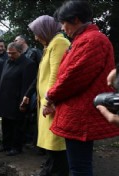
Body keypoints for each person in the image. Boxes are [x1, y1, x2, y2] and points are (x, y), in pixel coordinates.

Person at [44, 1, 119, 175]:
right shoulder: (84, 40)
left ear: (75, 19)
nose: (63, 28)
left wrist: (51, 96)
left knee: (79, 168)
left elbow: (73, 77)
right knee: (78, 165)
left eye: (64, 23)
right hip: (78, 112)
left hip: (80, 114)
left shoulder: (92, 41)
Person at [28, 15, 70, 176]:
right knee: (51, 144)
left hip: (53, 103)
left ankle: (54, 172)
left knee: (56, 143)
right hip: (48, 102)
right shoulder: (52, 44)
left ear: (45, 30)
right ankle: (49, 169)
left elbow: (55, 75)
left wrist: (49, 100)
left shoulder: (59, 43)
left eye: (37, 32)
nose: (35, 37)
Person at [0, 42, 37, 156]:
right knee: (5, 124)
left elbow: (27, 85)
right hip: (5, 99)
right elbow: (2, 81)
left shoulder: (28, 64)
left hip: (17, 100)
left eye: (13, 53)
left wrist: (23, 102)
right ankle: (6, 144)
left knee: (17, 125)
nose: (10, 55)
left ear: (20, 52)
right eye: (8, 53)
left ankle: (16, 147)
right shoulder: (7, 62)